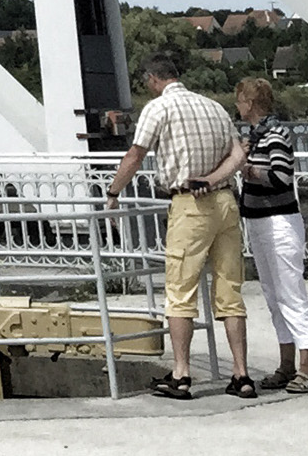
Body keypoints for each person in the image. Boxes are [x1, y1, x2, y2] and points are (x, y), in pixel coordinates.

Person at [108, 56, 254, 400]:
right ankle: (242, 374)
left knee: (180, 292)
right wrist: (214, 178)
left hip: (189, 205)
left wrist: (113, 193)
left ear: (153, 79)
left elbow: (135, 155)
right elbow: (237, 155)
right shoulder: (214, 107)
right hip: (225, 202)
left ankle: (181, 374)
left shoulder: (158, 109)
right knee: (230, 293)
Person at [234, 75, 308, 393]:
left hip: (279, 221)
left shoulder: (275, 133)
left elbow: (282, 176)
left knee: (291, 294)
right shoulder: (256, 135)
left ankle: (306, 369)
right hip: (259, 221)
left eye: (239, 101)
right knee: (273, 295)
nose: (238, 107)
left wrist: (247, 169)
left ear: (250, 102)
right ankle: (287, 365)